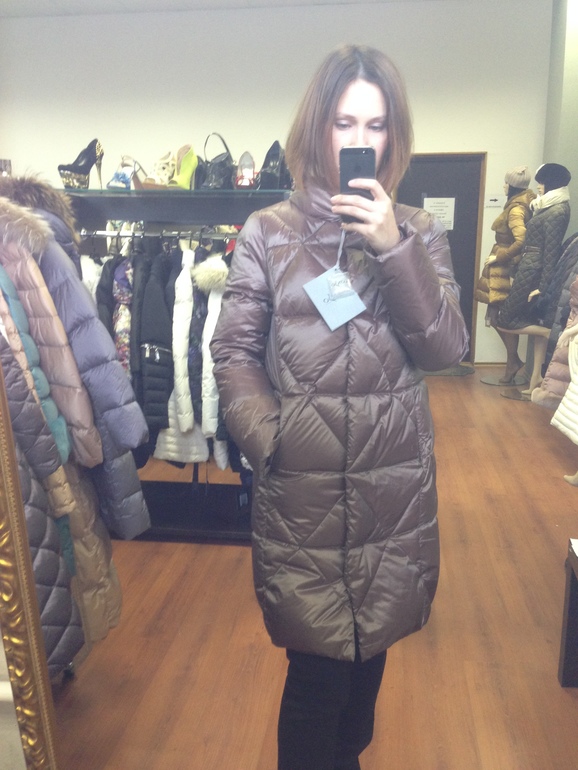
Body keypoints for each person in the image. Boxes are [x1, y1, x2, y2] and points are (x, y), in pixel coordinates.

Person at [210, 44, 468, 770]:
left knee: (368, 661)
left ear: (393, 136)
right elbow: (233, 353)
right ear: (317, 127)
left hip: (392, 491)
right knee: (317, 677)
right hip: (305, 494)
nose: (360, 139)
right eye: (345, 121)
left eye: (375, 125)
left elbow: (446, 347)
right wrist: (273, 440)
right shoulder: (268, 232)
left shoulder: (419, 231)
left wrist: (392, 247)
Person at [497, 163, 571, 392]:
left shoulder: (557, 210)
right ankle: (535, 380)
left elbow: (551, 251)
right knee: (534, 321)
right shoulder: (546, 206)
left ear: (551, 182)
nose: (538, 185)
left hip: (534, 270)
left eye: (542, 181)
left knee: (505, 319)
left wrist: (543, 285)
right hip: (530, 267)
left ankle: (550, 334)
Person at [475, 166, 535, 383]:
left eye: (505, 183)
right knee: (498, 315)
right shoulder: (519, 204)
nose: (503, 186)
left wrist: (499, 257)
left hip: (505, 268)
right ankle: (513, 361)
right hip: (504, 266)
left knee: (500, 315)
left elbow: (521, 240)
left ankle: (512, 362)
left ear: (512, 186)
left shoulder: (516, 209)